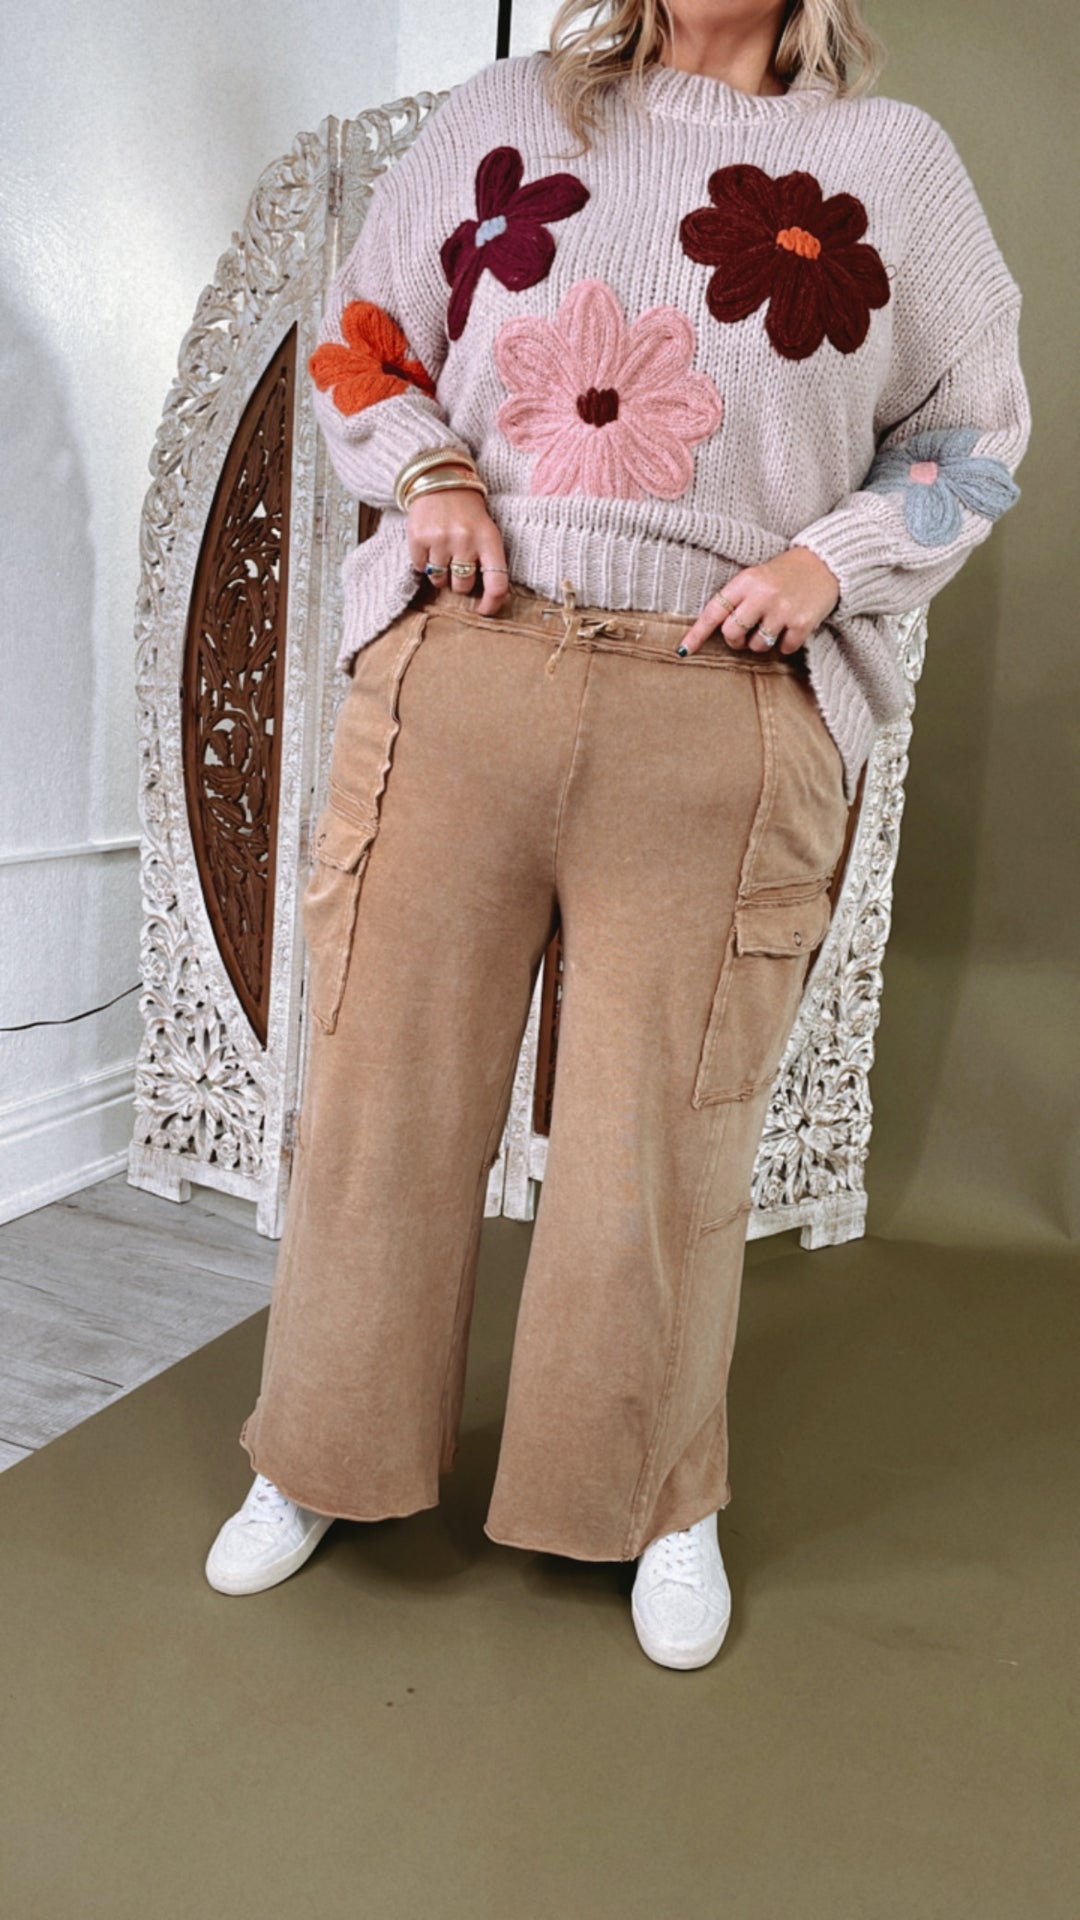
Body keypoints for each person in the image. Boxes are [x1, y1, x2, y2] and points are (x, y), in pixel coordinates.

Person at [204, 0, 1029, 1670]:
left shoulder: (891, 167)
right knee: (382, 1096)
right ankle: (321, 1452)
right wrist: (429, 473)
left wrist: (831, 562)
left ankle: (653, 1493)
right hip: (469, 664)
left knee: (668, 1135)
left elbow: (977, 438)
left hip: (719, 705)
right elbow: (365, 334)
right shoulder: (510, 114)